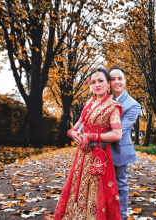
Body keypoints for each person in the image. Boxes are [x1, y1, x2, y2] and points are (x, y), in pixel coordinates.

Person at [54, 68, 123, 220]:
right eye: (93, 82)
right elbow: (78, 124)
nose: (97, 85)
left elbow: (117, 134)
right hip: (81, 156)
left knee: (95, 194)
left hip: (98, 156)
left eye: (101, 81)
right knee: (76, 189)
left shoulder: (113, 106)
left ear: (108, 83)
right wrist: (71, 133)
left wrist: (92, 136)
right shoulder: (89, 102)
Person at [109, 65, 141, 220]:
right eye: (112, 79)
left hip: (119, 149)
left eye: (120, 78)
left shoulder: (133, 104)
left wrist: (93, 135)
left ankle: (121, 216)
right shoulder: (103, 99)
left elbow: (120, 129)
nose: (116, 82)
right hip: (100, 149)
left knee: (120, 183)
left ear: (125, 81)